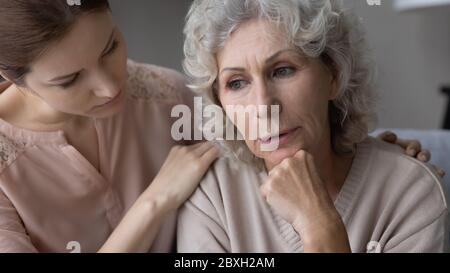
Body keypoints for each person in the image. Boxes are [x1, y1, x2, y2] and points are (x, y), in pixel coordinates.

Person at [177, 0, 449, 253]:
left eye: (283, 70)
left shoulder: (410, 192)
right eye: (236, 83)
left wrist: (320, 227)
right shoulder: (215, 196)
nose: (262, 107)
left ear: (334, 75)